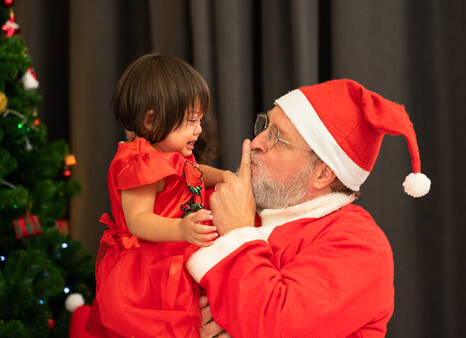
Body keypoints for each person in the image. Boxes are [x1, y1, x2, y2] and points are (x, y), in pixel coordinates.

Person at [187, 79, 431, 338]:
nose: (256, 141)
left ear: (322, 174)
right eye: (265, 125)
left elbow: (277, 327)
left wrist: (237, 232)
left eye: (277, 138)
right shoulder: (223, 201)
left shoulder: (361, 246)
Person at [86, 53, 224, 338]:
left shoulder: (171, 154)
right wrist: (180, 228)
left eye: (199, 119)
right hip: (147, 272)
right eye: (191, 120)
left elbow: (195, 172)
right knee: (163, 329)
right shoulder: (139, 160)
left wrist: (225, 176)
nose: (199, 129)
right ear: (152, 120)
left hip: (171, 258)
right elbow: (137, 220)